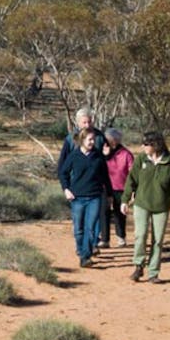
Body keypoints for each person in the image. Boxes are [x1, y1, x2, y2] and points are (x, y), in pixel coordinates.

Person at [121, 131, 170, 284]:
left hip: (161, 206)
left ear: (156, 145)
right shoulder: (141, 159)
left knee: (158, 241)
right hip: (142, 204)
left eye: (146, 144)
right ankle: (138, 265)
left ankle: (153, 272)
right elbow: (131, 181)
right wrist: (125, 200)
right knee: (140, 235)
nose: (143, 146)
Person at [59, 127, 113, 268]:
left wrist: (110, 195)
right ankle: (81, 249)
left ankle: (85, 256)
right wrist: (66, 189)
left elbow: (105, 177)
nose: (92, 142)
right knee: (79, 229)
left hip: (95, 196)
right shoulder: (74, 156)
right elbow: (63, 172)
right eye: (89, 139)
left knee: (90, 228)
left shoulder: (98, 156)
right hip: (77, 197)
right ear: (82, 140)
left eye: (93, 139)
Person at [58, 107, 107, 250]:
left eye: (89, 122)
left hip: (95, 185)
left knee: (94, 218)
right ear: (78, 122)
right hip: (77, 186)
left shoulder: (99, 137)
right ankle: (82, 246)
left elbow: (105, 160)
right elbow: (63, 164)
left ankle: (92, 244)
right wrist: (65, 186)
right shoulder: (70, 138)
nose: (87, 125)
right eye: (84, 122)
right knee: (79, 221)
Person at [102, 128, 134, 248]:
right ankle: (104, 239)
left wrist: (132, 190)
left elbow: (132, 173)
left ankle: (121, 238)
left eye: (109, 140)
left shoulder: (126, 154)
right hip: (105, 187)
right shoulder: (103, 152)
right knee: (103, 212)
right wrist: (104, 156)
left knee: (119, 213)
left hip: (121, 188)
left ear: (115, 141)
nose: (107, 141)